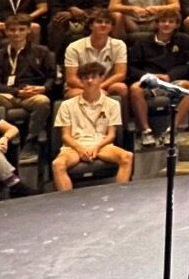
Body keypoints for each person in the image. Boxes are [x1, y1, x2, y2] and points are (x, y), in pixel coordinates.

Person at [0, 12, 56, 153]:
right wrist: (16, 92)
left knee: (43, 101)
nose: (16, 33)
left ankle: (31, 140)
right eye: (12, 30)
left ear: (28, 30)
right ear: (6, 31)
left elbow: (52, 77)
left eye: (21, 29)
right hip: (9, 94)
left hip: (33, 94)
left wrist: (43, 88)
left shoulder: (42, 51)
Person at [52, 62, 133, 190]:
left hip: (102, 145)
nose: (90, 81)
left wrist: (97, 147)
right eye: (85, 78)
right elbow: (65, 135)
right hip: (74, 146)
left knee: (127, 157)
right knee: (57, 164)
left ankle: (120, 196)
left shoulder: (113, 104)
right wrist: (80, 149)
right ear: (81, 81)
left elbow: (111, 134)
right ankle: (67, 203)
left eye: (94, 77)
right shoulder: (67, 105)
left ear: (101, 78)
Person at [129, 12, 189, 144]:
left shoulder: (183, 40)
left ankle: (171, 130)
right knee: (135, 88)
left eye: (171, 21)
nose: (166, 24)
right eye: (163, 21)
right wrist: (153, 76)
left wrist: (170, 76)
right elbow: (132, 68)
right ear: (157, 23)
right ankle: (146, 131)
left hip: (173, 80)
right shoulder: (142, 43)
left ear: (176, 25)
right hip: (151, 80)